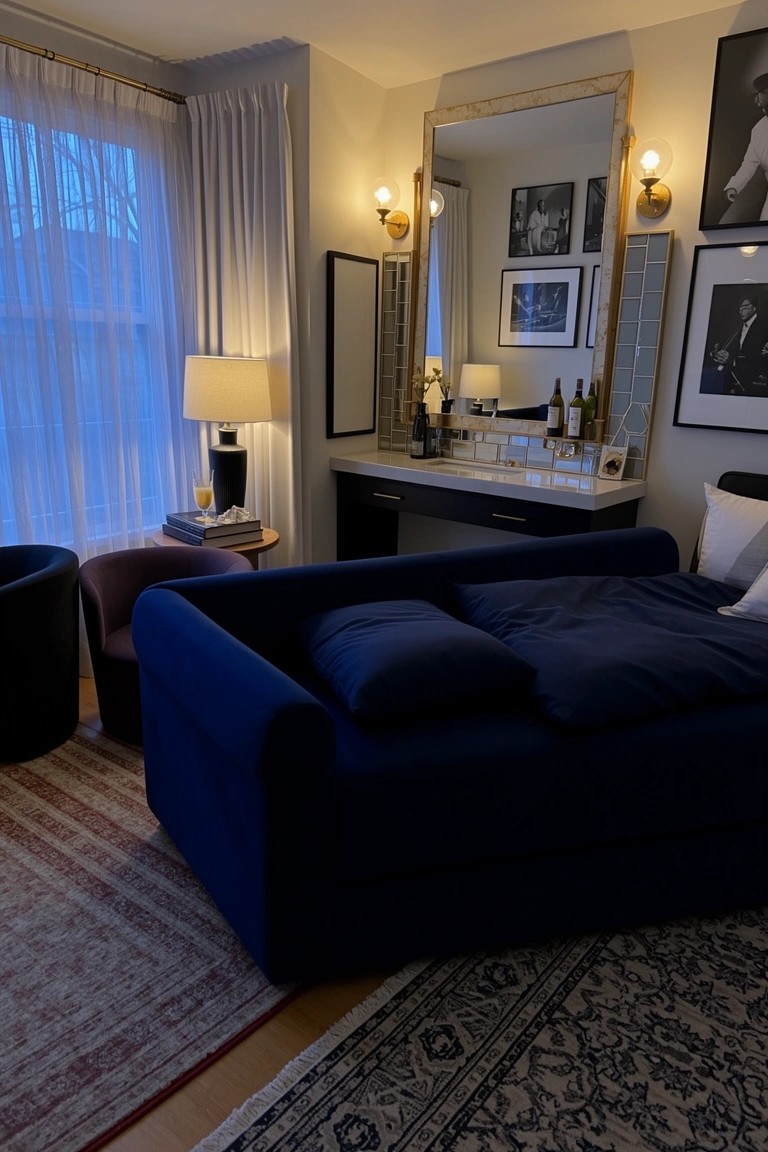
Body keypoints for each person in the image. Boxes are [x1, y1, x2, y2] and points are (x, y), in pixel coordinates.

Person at [722, 72, 768, 223]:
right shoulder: (759, 129)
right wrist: (734, 186)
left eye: (760, 94)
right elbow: (749, 163)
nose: (757, 99)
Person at [706, 293, 768, 395]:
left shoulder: (764, 326)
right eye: (740, 308)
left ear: (754, 308)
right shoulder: (738, 327)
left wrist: (732, 361)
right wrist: (717, 354)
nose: (741, 311)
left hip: (755, 384)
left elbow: (761, 357)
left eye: (745, 307)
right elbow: (729, 349)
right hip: (734, 380)